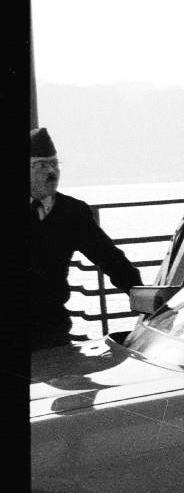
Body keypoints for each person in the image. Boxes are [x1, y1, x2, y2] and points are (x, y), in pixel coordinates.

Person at [28, 127, 141, 350]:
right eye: (42, 165)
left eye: (55, 164)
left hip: (52, 331)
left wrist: (141, 294)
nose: (52, 172)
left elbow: (110, 258)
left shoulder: (72, 212)